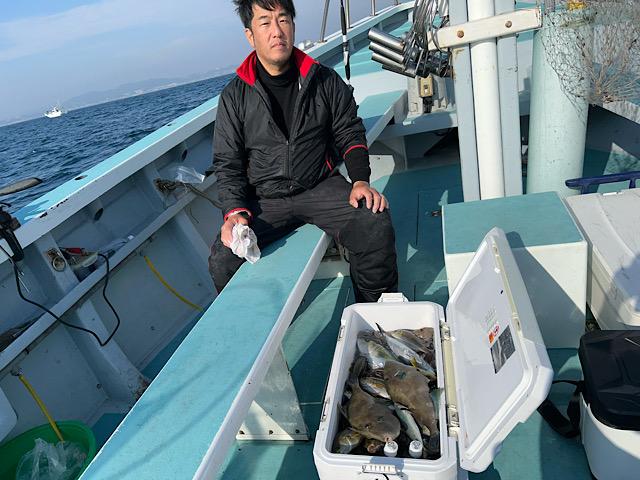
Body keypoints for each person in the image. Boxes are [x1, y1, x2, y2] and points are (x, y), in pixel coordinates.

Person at [208, 0, 398, 302]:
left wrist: (360, 180)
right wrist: (235, 211)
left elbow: (349, 131)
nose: (276, 31)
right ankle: (260, 327)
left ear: (293, 26)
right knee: (223, 260)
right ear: (250, 35)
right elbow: (227, 162)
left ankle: (375, 312)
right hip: (264, 200)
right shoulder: (234, 96)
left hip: (320, 186)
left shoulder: (324, 80)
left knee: (374, 223)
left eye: (283, 20)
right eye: (265, 23)